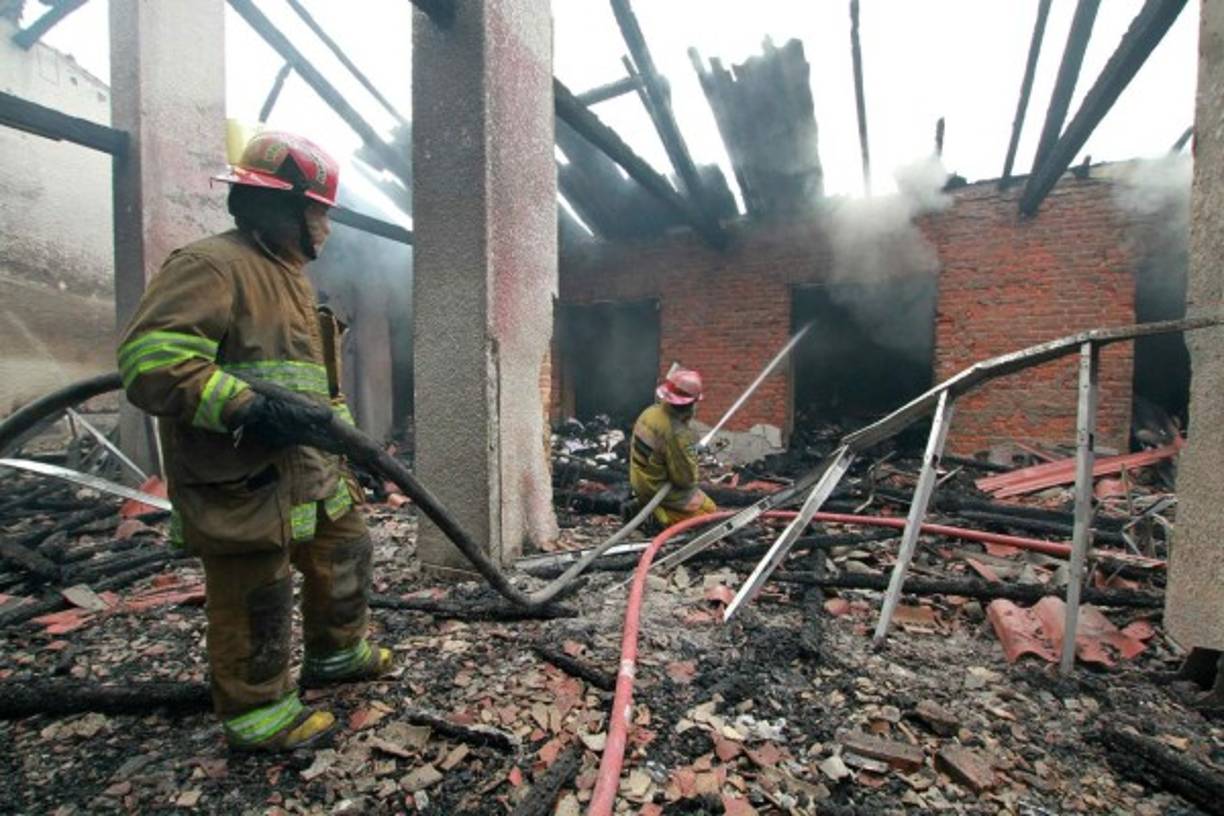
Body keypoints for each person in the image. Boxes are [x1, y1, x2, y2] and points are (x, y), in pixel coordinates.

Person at [116, 131, 391, 752]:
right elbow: (151, 362)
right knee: (257, 590)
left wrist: (354, 449)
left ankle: (337, 655)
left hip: (314, 469)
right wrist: (245, 408)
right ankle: (259, 715)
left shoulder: (290, 280)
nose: (325, 226)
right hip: (246, 474)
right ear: (284, 208)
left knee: (346, 552)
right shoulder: (211, 266)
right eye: (319, 212)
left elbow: (315, 390)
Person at [628, 367, 717, 527]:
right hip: (657, 489)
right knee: (709, 513)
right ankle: (658, 517)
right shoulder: (677, 433)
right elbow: (685, 480)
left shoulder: (650, 413)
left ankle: (646, 506)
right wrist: (692, 458)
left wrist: (687, 450)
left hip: (639, 480)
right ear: (691, 404)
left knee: (704, 504)